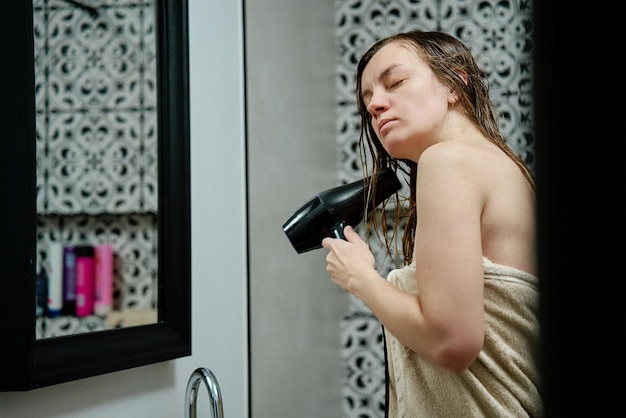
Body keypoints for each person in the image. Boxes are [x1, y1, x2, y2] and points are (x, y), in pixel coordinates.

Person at [321, 30, 542, 417]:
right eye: (367, 100)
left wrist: (360, 279)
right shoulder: (508, 169)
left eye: (395, 82)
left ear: (455, 83)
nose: (376, 105)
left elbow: (452, 344)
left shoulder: (448, 162)